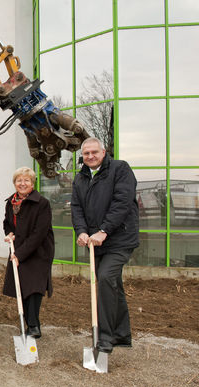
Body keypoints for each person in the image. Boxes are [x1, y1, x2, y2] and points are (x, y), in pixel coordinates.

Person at [71, 137, 139, 354]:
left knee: (106, 278)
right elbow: (76, 208)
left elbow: (123, 202)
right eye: (86, 153)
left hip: (119, 239)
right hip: (96, 242)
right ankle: (122, 334)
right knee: (112, 284)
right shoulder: (80, 178)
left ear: (103, 151)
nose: (90, 156)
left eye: (94, 152)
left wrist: (104, 230)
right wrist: (81, 231)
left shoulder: (120, 169)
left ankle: (105, 337)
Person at [2, 167, 54, 338]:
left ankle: (33, 325)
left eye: (26, 180)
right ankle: (29, 324)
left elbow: (39, 233)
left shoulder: (42, 203)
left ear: (32, 183)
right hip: (19, 250)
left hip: (38, 251)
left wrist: (20, 254)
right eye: (19, 180)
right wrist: (9, 233)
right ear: (15, 183)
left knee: (34, 288)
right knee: (21, 287)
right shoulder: (11, 202)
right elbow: (7, 223)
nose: (22, 183)